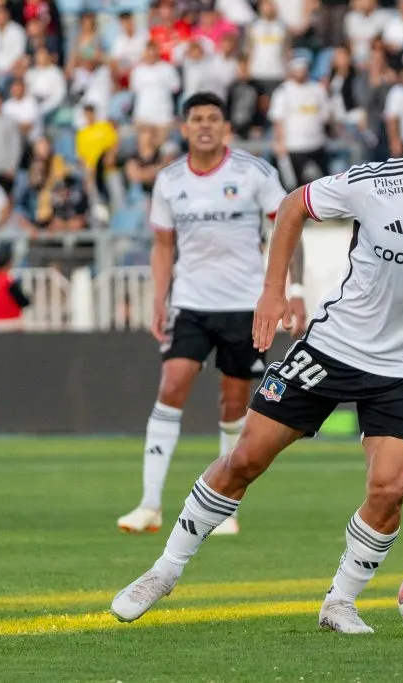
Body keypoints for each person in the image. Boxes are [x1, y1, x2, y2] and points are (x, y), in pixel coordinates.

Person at [110, 75, 403, 633]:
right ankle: (164, 571)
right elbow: (293, 206)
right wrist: (274, 290)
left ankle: (339, 600)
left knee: (390, 488)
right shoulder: (377, 184)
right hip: (334, 347)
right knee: (245, 459)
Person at [115, 92, 308, 537]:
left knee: (233, 403)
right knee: (172, 385)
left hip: (244, 304)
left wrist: (290, 290)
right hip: (191, 304)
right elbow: (163, 247)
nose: (204, 125)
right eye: (196, 118)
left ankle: (223, 508)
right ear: (184, 128)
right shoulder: (169, 181)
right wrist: (159, 298)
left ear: (225, 127)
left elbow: (288, 227)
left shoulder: (254, 172)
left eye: (213, 118)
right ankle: (148, 505)